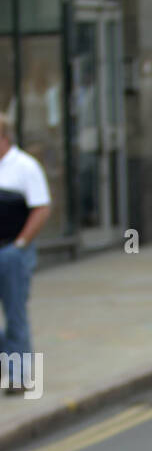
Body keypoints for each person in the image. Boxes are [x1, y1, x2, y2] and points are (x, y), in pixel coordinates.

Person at [0, 113, 51, 394]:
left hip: (12, 251)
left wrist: (20, 244)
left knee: (15, 315)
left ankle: (19, 378)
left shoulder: (25, 167)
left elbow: (42, 208)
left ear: (5, 138)